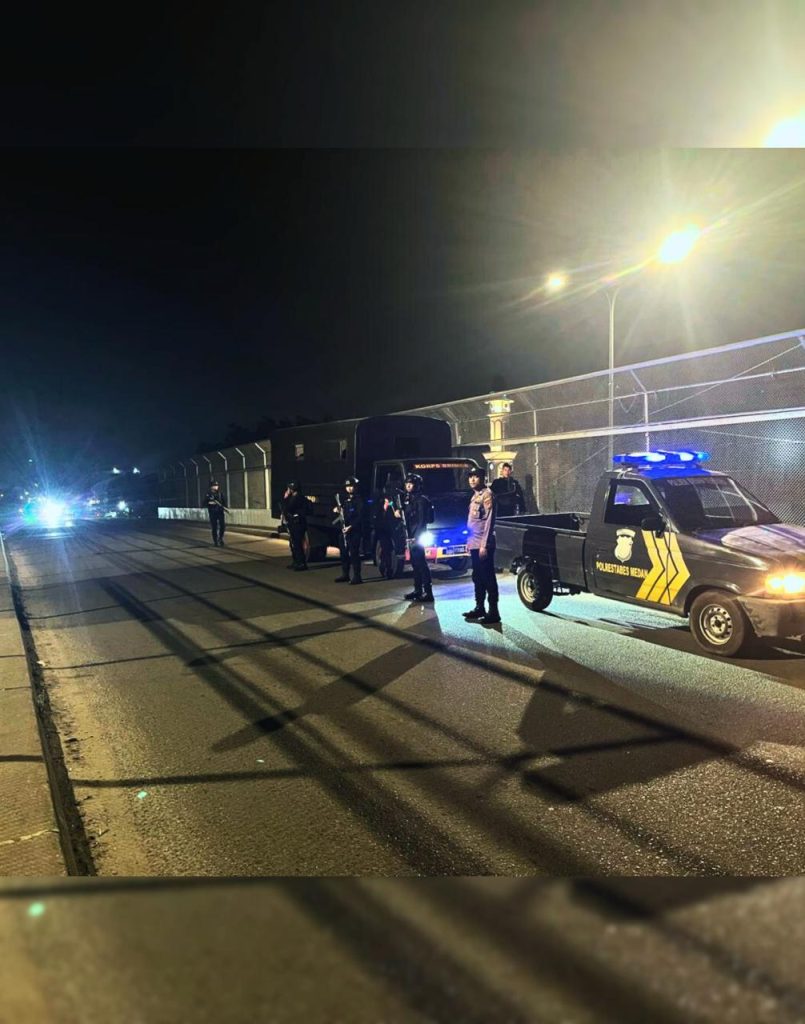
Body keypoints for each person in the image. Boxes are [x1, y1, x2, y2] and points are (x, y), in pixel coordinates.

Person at [463, 466, 500, 624]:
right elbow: (472, 522)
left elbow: (489, 522)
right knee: (477, 577)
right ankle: (479, 607)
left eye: (475, 476)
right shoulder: (474, 496)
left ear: (482, 478)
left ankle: (493, 611)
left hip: (483, 544)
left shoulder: (487, 495)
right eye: (470, 476)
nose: (472, 479)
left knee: (488, 577)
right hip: (474, 543)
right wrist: (469, 542)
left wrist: (484, 545)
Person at [395, 472, 434, 603]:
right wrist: (398, 512)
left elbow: (421, 521)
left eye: (411, 484)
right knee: (415, 563)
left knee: (421, 563)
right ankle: (417, 590)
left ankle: (428, 592)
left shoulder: (421, 500)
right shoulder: (408, 499)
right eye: (407, 483)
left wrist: (415, 537)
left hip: (417, 535)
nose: (408, 486)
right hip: (410, 535)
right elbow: (407, 516)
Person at [333, 476, 364, 585]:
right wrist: (338, 510)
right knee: (344, 553)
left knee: (354, 554)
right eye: (347, 486)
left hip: (354, 530)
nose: (349, 488)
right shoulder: (346, 499)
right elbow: (344, 513)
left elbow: (360, 516)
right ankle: (345, 574)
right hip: (344, 530)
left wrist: (351, 527)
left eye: (351, 486)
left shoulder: (359, 500)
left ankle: (357, 576)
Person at [373, 474, 402, 579]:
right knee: (385, 550)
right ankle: (386, 569)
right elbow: (376, 513)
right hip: (382, 529)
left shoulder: (395, 501)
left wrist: (396, 511)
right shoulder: (379, 501)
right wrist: (383, 507)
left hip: (393, 528)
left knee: (390, 550)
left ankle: (389, 569)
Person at [282, 482, 309, 571]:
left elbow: (288, 508)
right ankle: (296, 561)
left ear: (291, 489)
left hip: (297, 524)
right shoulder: (294, 497)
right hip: (293, 523)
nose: (288, 490)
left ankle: (301, 563)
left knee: (297, 544)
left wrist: (285, 498)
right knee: (293, 543)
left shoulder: (297, 498)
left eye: (289, 488)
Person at [203, 480, 228, 546]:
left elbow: (224, 502)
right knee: (214, 527)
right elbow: (204, 503)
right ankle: (215, 541)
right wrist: (210, 503)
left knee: (222, 526)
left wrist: (225, 507)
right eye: (214, 486)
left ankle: (220, 538)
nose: (216, 487)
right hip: (212, 513)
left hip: (220, 512)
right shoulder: (208, 494)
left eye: (217, 485)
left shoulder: (220, 493)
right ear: (211, 487)